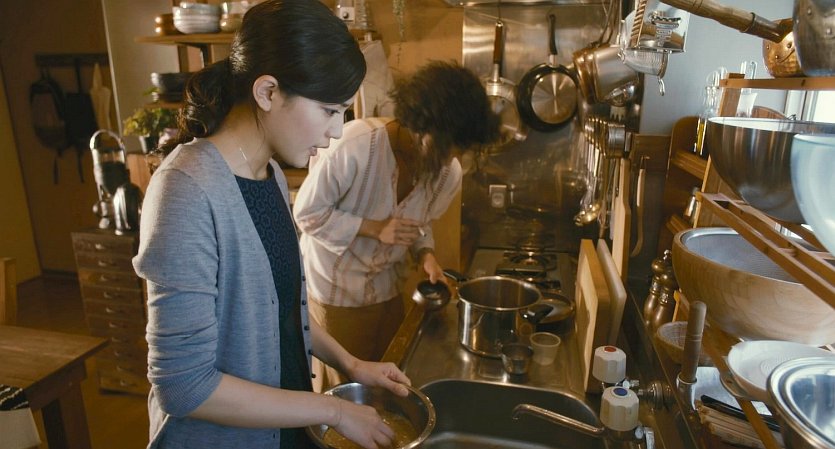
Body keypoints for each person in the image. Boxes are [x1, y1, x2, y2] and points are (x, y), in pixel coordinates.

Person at [132, 1, 410, 448]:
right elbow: (184, 387)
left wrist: (351, 364)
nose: (337, 131)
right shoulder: (185, 191)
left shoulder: (271, 174)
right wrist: (334, 410)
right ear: (267, 92)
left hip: (285, 428)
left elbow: (279, 308)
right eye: (329, 110)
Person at [293, 60, 501, 392]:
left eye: (461, 149)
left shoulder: (448, 173)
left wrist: (426, 256)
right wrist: (373, 227)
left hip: (388, 288)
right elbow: (306, 214)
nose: (453, 158)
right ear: (421, 125)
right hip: (336, 291)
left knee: (388, 377)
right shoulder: (355, 146)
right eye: (449, 146)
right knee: (345, 390)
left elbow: (420, 223)